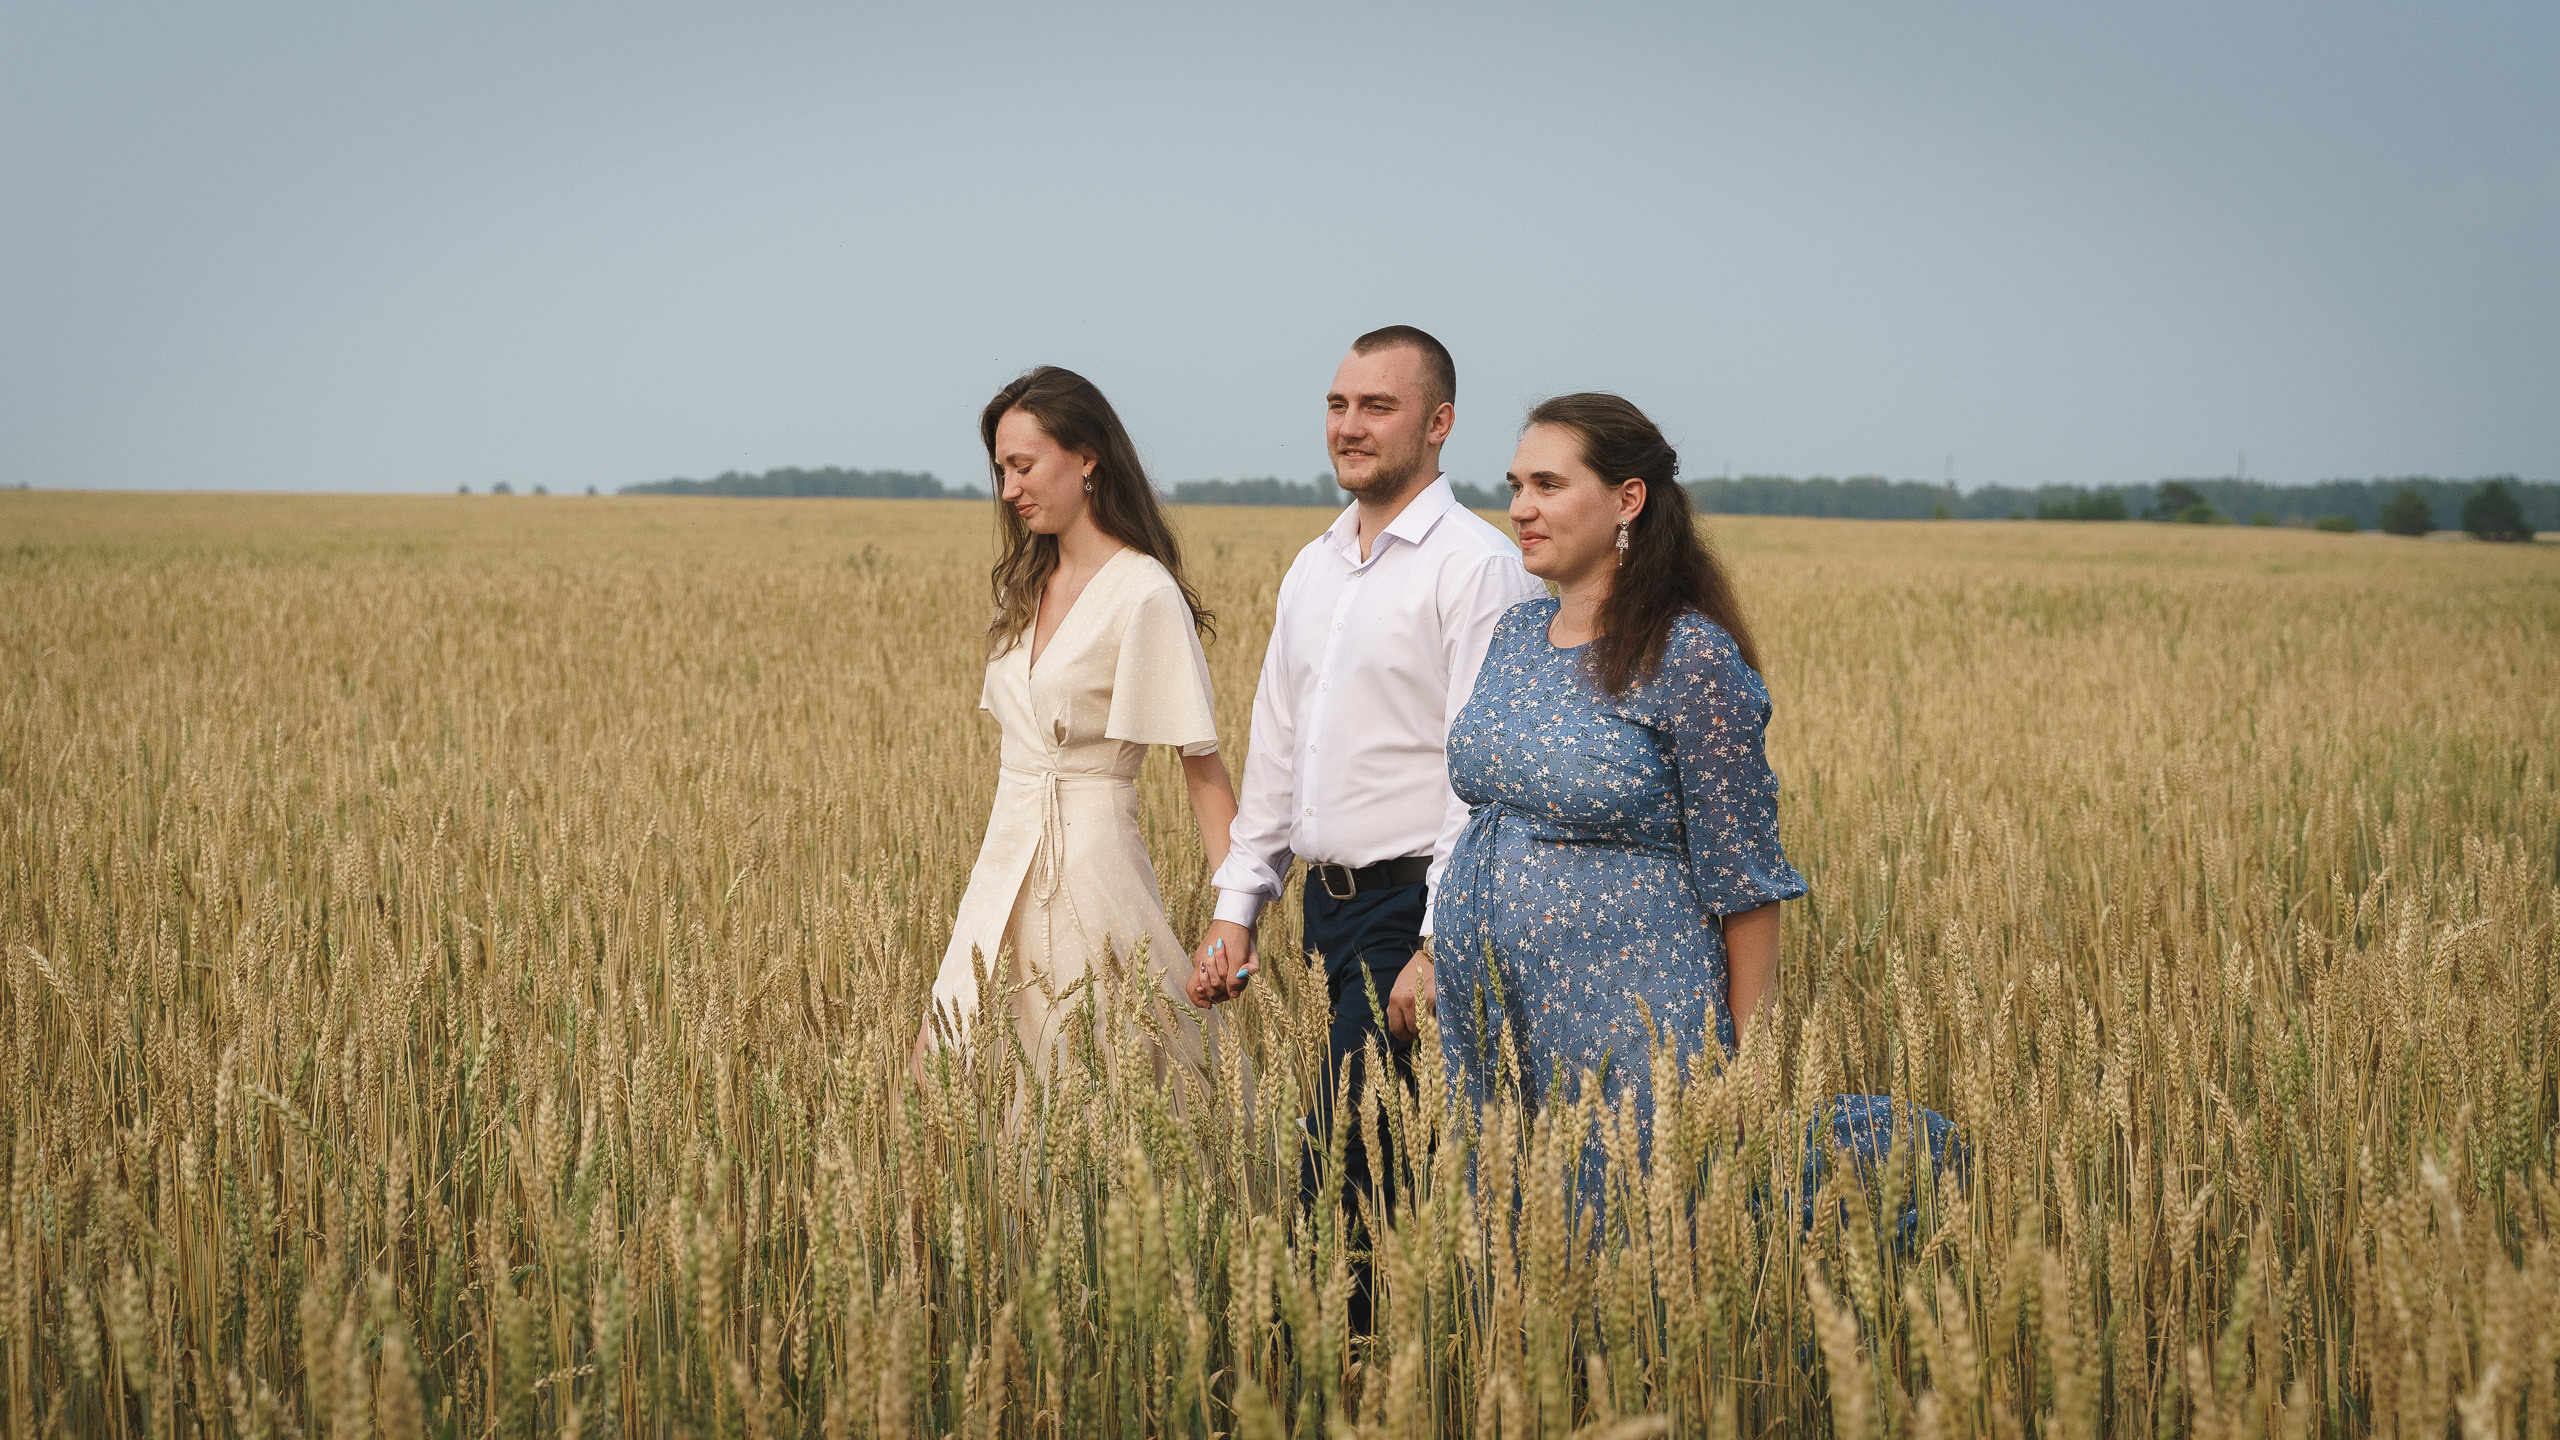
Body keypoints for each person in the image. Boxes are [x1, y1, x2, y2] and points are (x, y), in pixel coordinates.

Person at [1188, 326, 1545, 1327]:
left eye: (1376, 407)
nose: (1349, 426)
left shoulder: (1476, 569)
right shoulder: (1313, 568)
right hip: (1324, 915)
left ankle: (1358, 1380)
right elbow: (1277, 752)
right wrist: (1237, 910)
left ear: (1438, 425)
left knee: (1347, 1185)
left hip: (1410, 913)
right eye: (1339, 405)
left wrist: (1439, 941)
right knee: (1353, 1181)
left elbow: (1481, 778)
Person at [1431, 393, 1807, 1208]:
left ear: (1627, 500)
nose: (1521, 509)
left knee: (1630, 1246)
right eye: (1515, 484)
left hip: (1629, 1025)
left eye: (1548, 485)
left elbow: (1747, 882)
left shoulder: (1689, 655)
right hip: (1491, 1021)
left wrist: (1747, 1070)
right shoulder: (1516, 636)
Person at [922, 366, 1236, 1093]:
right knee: (948, 1071)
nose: (1008, 489)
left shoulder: (1144, 592)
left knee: (1088, 1084)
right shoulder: (1021, 586)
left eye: (1024, 466)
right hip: (1001, 864)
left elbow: (1203, 770)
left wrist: (1233, 917)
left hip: (1091, 873)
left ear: (1088, 456)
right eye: (1001, 469)